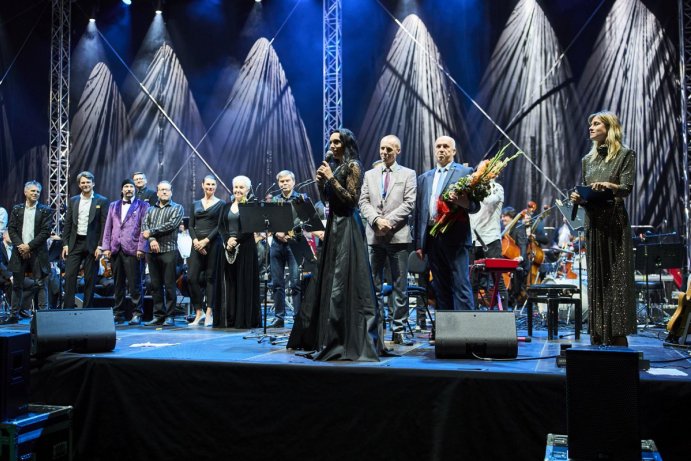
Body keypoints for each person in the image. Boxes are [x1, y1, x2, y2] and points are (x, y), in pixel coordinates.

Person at [288, 128, 385, 361]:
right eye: (330, 142)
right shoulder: (338, 166)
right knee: (329, 278)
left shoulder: (354, 166)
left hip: (348, 226)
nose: (331, 145)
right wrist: (323, 183)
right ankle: (324, 335)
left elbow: (351, 200)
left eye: (336, 142)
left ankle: (345, 336)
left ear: (346, 143)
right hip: (334, 225)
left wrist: (331, 178)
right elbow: (328, 201)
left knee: (344, 279)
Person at [570, 111, 636, 346]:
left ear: (610, 128)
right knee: (596, 279)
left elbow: (626, 188)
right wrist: (578, 196)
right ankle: (597, 331)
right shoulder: (587, 161)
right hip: (593, 224)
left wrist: (610, 185)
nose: (591, 127)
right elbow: (585, 192)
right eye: (590, 124)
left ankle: (618, 333)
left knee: (617, 279)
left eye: (596, 124)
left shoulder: (625, 155)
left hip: (615, 223)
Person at [359, 134, 416, 345]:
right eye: (382, 149)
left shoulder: (408, 174)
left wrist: (387, 221)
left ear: (397, 151)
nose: (384, 153)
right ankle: (377, 329)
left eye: (389, 150)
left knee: (400, 285)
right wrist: (375, 220)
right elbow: (363, 201)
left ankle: (398, 328)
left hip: (397, 237)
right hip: (374, 236)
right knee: (373, 285)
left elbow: (409, 203)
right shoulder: (369, 174)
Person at [414, 135, 480, 312]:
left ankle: (466, 332)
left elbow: (474, 206)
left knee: (461, 285)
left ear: (453, 151)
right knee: (440, 287)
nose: (441, 149)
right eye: (438, 146)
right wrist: (419, 244)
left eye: (445, 146)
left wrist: (462, 202)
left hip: (456, 237)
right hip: (432, 238)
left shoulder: (465, 173)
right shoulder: (424, 178)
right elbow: (419, 212)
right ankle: (446, 331)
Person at [0, 181, 52, 324]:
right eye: (32, 191)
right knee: (17, 284)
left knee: (41, 283)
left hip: (37, 252)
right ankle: (14, 314)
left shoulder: (45, 210)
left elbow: (45, 232)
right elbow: (11, 229)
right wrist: (21, 246)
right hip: (19, 251)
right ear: (25, 192)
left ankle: (43, 316)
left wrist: (28, 246)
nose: (35, 194)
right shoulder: (17, 209)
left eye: (37, 192)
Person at [102, 179, 150, 325]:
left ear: (135, 189)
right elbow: (108, 227)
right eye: (126, 187)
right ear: (122, 190)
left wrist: (142, 247)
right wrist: (106, 248)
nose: (129, 189)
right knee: (118, 284)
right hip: (116, 248)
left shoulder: (143, 205)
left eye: (131, 186)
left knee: (135, 284)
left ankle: (137, 313)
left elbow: (145, 227)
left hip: (133, 249)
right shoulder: (113, 205)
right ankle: (118, 313)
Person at [216, 175, 261, 329]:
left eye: (241, 187)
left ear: (248, 190)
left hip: (245, 248)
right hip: (228, 249)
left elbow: (249, 227)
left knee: (244, 283)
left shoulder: (251, 205)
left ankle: (244, 319)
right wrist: (228, 239)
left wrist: (236, 240)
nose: (238, 190)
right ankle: (230, 318)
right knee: (230, 283)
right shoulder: (226, 206)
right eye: (236, 187)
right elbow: (221, 226)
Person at [61, 171, 109, 308]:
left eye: (88, 182)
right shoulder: (73, 200)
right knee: (69, 277)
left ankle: (87, 309)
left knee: (90, 278)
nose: (85, 184)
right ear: (79, 184)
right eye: (83, 182)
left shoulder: (102, 201)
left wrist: (100, 246)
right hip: (75, 243)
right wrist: (65, 244)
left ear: (93, 183)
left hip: (92, 245)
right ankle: (68, 308)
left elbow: (104, 225)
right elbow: (68, 224)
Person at [267, 170, 309, 328]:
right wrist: (277, 232)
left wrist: (290, 234)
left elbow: (306, 221)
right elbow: (269, 220)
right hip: (277, 244)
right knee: (276, 283)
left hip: (294, 244)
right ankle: (279, 317)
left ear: (294, 182)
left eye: (287, 181)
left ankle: (298, 317)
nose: (284, 184)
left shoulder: (300, 199)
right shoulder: (274, 200)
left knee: (295, 283)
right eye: (281, 181)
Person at [142, 181, 184, 326]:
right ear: (157, 192)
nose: (164, 192)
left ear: (171, 192)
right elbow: (144, 226)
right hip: (152, 251)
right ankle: (158, 315)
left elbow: (171, 225)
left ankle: (170, 316)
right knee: (155, 285)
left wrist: (152, 233)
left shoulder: (177, 208)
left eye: (167, 190)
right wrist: (152, 239)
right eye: (162, 190)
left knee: (170, 285)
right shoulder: (149, 209)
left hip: (169, 250)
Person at [188, 175, 225, 327]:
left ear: (215, 187)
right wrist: (196, 241)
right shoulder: (195, 204)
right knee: (191, 278)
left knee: (211, 278)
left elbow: (220, 226)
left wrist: (206, 241)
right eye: (208, 184)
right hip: (197, 244)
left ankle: (209, 313)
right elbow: (191, 225)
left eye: (213, 185)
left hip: (213, 243)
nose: (210, 187)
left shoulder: (221, 204)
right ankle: (199, 312)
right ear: (202, 185)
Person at [469, 180, 508, 308]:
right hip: (473, 239)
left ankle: (505, 317)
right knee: (472, 282)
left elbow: (488, 201)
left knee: (498, 280)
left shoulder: (497, 187)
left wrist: (476, 186)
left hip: (490, 239)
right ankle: (472, 316)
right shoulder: (472, 188)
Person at [501, 206, 528, 308]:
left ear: (512, 217)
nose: (502, 219)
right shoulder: (504, 229)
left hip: (519, 262)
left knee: (516, 273)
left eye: (505, 216)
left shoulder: (519, 227)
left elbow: (523, 244)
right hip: (508, 260)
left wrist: (521, 257)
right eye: (502, 216)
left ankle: (514, 298)